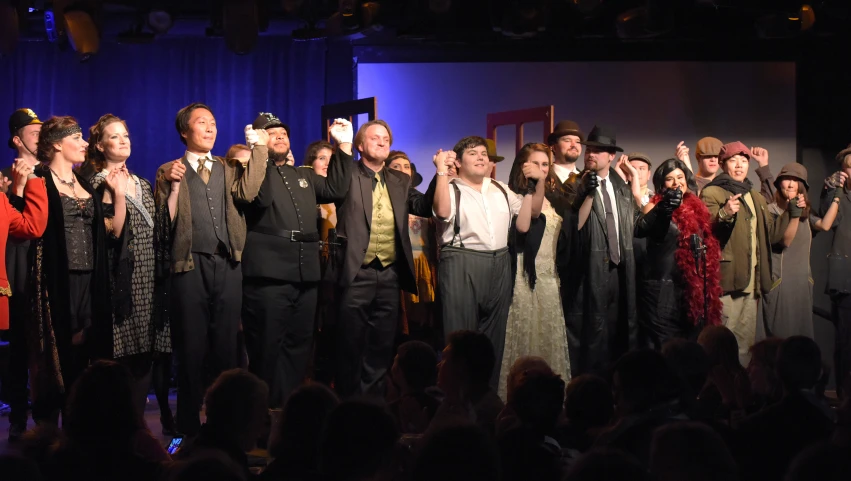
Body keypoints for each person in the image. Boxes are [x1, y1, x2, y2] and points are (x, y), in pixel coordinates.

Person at [153, 102, 265, 436]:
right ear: (185, 132)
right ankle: (187, 427)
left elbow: (248, 191)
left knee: (226, 347)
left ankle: (225, 424)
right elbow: (164, 223)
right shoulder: (169, 169)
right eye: (202, 123)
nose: (210, 128)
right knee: (190, 349)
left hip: (227, 264)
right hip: (189, 266)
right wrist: (171, 185)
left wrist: (258, 150)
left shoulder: (227, 167)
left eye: (214, 123)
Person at [241, 114, 351, 408]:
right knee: (267, 348)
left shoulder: (301, 174)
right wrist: (259, 154)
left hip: (305, 274)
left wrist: (343, 147)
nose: (279, 137)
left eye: (283, 134)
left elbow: (336, 190)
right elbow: (261, 200)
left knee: (299, 348)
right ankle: (261, 413)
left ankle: (285, 411)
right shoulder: (249, 170)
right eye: (271, 133)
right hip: (269, 274)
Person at [29, 115, 128, 423]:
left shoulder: (84, 183)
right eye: (77, 139)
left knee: (86, 345)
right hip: (58, 278)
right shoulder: (39, 180)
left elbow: (112, 231)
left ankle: (79, 418)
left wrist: (119, 194)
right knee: (61, 346)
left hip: (90, 277)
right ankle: (53, 425)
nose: (85, 144)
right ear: (57, 144)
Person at [433, 136, 546, 389]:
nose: (481, 157)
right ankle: (456, 398)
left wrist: (537, 185)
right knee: (460, 338)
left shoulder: (500, 189)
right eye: (473, 153)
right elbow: (441, 212)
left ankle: (486, 398)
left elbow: (530, 217)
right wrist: (441, 170)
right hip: (462, 261)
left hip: (499, 262)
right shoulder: (450, 187)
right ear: (459, 162)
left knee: (493, 338)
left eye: (484, 153)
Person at [331, 119, 433, 398]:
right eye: (375, 137)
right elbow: (334, 188)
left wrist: (442, 174)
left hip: (388, 274)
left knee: (381, 346)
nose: (382, 141)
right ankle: (348, 406)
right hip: (357, 272)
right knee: (350, 346)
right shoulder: (348, 172)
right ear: (361, 145)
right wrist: (342, 145)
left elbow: (423, 206)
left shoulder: (399, 179)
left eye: (386, 138)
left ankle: (373, 409)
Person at [86, 114, 173, 421]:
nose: (123, 140)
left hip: (150, 279)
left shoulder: (143, 182)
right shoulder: (98, 183)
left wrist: (173, 191)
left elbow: (160, 227)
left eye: (126, 135)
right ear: (99, 145)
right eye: (114, 136)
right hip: (122, 278)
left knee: (146, 353)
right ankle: (120, 424)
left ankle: (137, 422)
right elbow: (114, 233)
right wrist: (119, 194)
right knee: (122, 355)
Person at [700, 142, 794, 366]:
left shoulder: (754, 195)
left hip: (752, 281)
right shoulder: (712, 191)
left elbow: (771, 235)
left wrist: (791, 211)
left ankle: (740, 394)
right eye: (733, 160)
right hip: (727, 278)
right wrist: (724, 213)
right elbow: (707, 230)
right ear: (723, 165)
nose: (739, 165)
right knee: (722, 341)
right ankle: (718, 391)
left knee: (745, 343)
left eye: (743, 160)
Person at [564, 125, 638, 376]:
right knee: (590, 333)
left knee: (616, 330)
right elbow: (571, 226)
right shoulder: (574, 184)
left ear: (611, 156)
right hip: (589, 270)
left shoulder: (621, 189)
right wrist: (584, 192)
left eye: (598, 150)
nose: (591, 154)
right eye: (589, 149)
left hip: (617, 269)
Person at [498, 143, 570, 399]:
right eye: (536, 163)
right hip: (523, 275)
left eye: (545, 165)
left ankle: (549, 400)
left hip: (549, 278)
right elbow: (532, 215)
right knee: (524, 337)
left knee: (546, 339)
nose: (542, 169)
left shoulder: (554, 199)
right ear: (523, 165)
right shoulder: (514, 194)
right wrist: (536, 183)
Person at [634, 158, 723, 348]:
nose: (677, 183)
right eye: (670, 178)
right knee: (664, 348)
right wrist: (665, 208)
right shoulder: (653, 206)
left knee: (690, 348)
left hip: (690, 291)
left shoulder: (696, 208)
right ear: (661, 184)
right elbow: (652, 232)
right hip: (662, 290)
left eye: (680, 177)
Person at [2, 107, 46, 440]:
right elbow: (15, 228)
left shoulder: (52, 173)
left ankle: (48, 415)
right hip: (20, 269)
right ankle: (18, 415)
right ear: (17, 140)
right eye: (34, 133)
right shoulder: (4, 177)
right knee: (19, 347)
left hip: (50, 268)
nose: (42, 138)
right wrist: (16, 190)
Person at [762, 163, 839, 340]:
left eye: (795, 181)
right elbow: (785, 241)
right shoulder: (771, 211)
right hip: (782, 283)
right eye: (786, 179)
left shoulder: (806, 214)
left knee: (802, 338)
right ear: (779, 183)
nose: (790, 184)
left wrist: (837, 196)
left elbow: (825, 225)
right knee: (780, 338)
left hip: (802, 283)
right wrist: (793, 213)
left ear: (801, 186)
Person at [386, 151, 439, 345]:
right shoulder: (382, 196)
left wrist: (439, 173)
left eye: (406, 166)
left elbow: (425, 207)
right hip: (397, 266)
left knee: (422, 320)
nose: (402, 170)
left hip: (422, 263)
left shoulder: (414, 195)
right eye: (396, 167)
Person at [820, 143, 851, 393]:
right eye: (850, 167)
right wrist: (832, 189)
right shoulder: (837, 194)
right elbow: (829, 220)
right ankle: (843, 395)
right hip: (845, 281)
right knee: (845, 342)